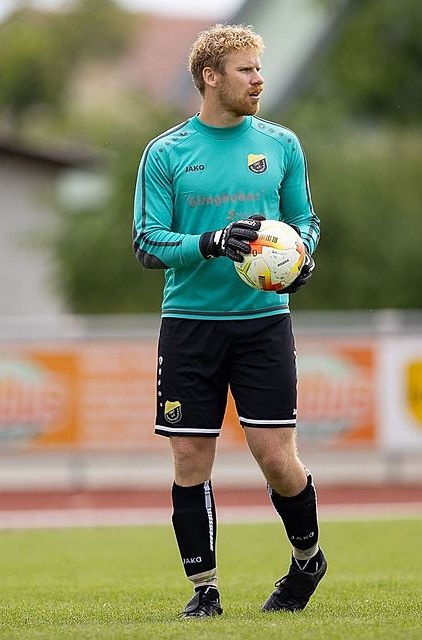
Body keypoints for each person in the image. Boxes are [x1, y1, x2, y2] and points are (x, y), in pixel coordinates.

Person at [131, 24, 324, 619]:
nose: (258, 79)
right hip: (190, 323)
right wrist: (213, 242)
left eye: (259, 70)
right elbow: (147, 242)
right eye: (246, 70)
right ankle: (205, 591)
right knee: (190, 460)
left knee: (274, 457)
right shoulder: (166, 153)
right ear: (210, 78)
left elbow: (305, 221)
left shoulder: (282, 144)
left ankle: (308, 558)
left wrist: (302, 257)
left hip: (263, 322)